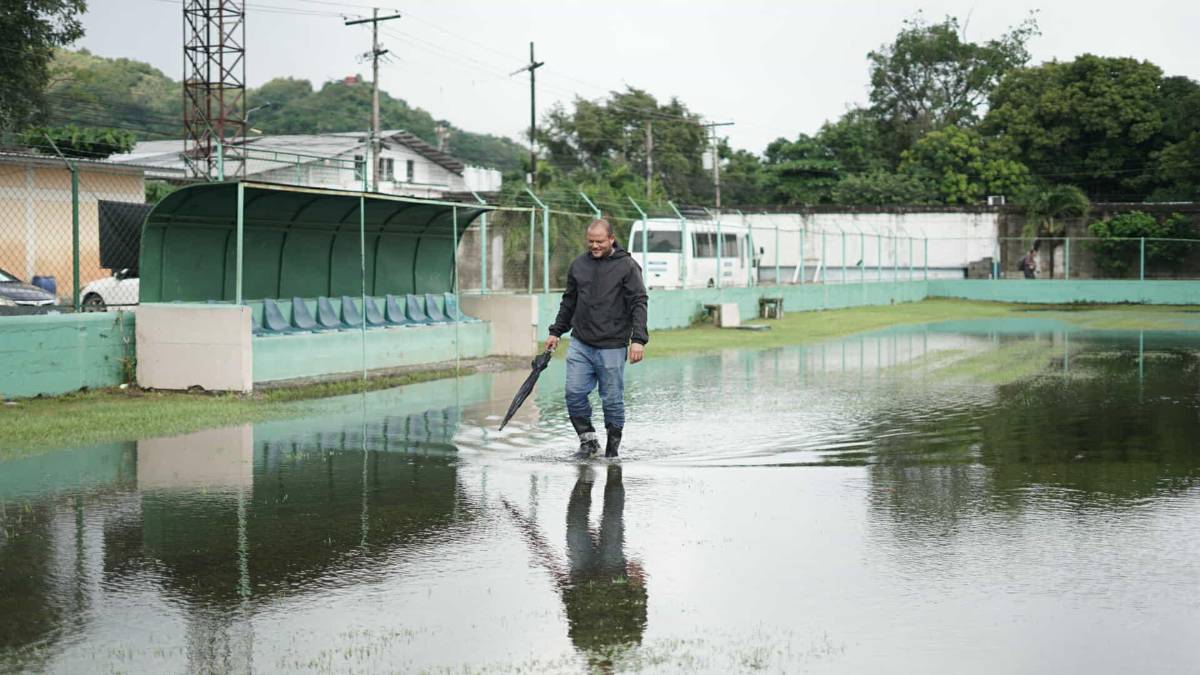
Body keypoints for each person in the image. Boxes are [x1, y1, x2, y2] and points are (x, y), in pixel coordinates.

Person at [546, 219, 649, 459]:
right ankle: (589, 441)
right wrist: (555, 331)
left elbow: (639, 302)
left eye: (600, 241)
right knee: (573, 393)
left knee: (612, 400)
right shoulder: (579, 265)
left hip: (612, 345)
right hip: (581, 342)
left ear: (611, 239)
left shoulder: (627, 266)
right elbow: (569, 301)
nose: (595, 246)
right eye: (591, 241)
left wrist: (638, 339)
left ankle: (612, 453)